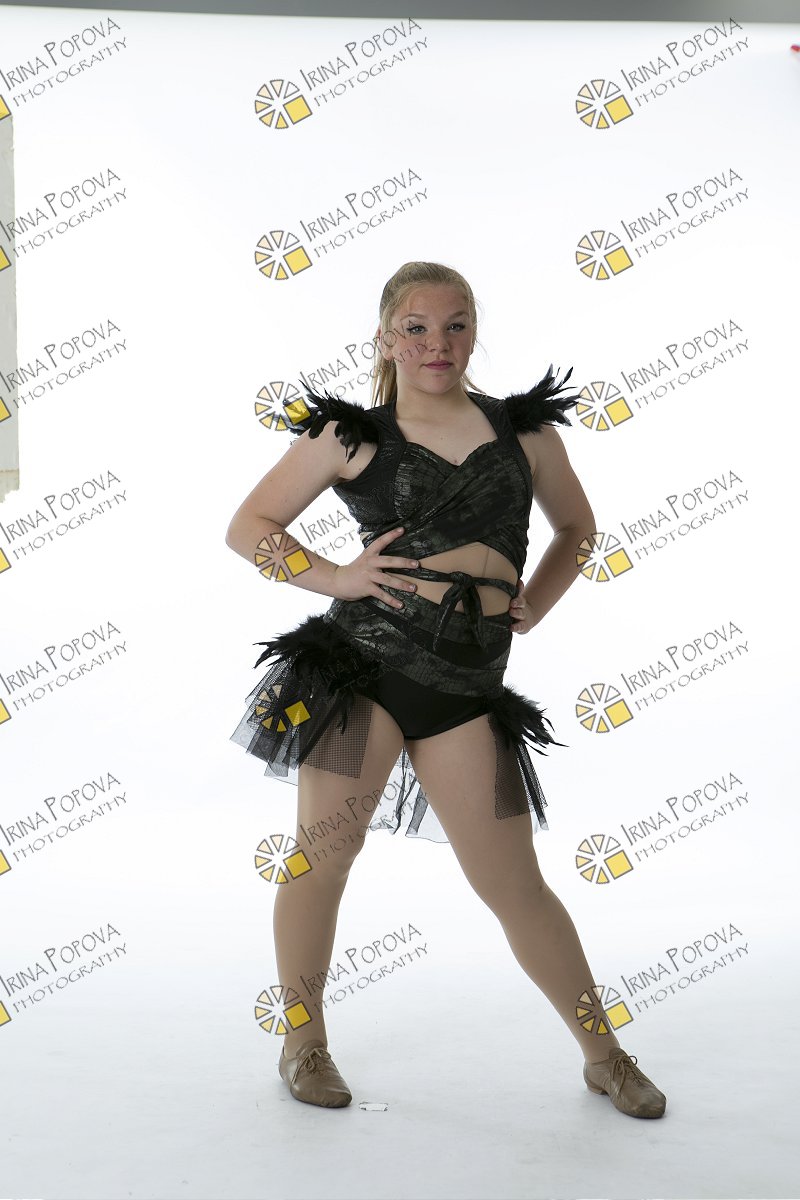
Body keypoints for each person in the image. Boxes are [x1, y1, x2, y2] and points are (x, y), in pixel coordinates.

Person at [226, 261, 667, 1120]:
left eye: (456, 325)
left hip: (468, 688)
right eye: (417, 328)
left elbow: (578, 528)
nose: (438, 343)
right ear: (386, 338)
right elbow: (249, 527)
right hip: (363, 673)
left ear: (474, 332)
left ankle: (605, 1055)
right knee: (323, 856)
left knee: (516, 885)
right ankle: (303, 1043)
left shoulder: (523, 434)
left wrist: (538, 598)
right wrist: (336, 577)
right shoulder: (350, 435)